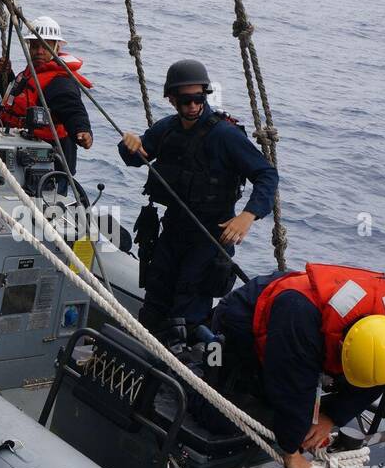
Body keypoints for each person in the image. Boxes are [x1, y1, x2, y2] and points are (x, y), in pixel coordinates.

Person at [118, 59, 278, 340]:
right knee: (155, 301)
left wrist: (248, 215)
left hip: (209, 238)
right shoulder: (167, 129)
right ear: (171, 99)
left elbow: (266, 175)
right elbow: (138, 155)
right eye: (185, 100)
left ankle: (185, 371)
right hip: (172, 232)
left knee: (188, 312)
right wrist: (128, 146)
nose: (193, 106)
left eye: (198, 98)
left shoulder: (225, 135)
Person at [209, 263, 385, 468]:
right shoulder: (300, 316)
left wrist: (332, 416)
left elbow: (382, 379)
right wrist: (291, 451)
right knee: (228, 403)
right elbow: (291, 386)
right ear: (341, 347)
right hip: (247, 317)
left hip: (301, 327)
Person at [0, 15, 93, 175]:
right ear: (28, 47)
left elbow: (73, 109)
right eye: (35, 46)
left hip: (49, 167)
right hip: (20, 154)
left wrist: (83, 131)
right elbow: (14, 101)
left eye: (45, 46)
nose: (39, 52)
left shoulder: (60, 82)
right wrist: (5, 74)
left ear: (56, 48)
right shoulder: (31, 72)